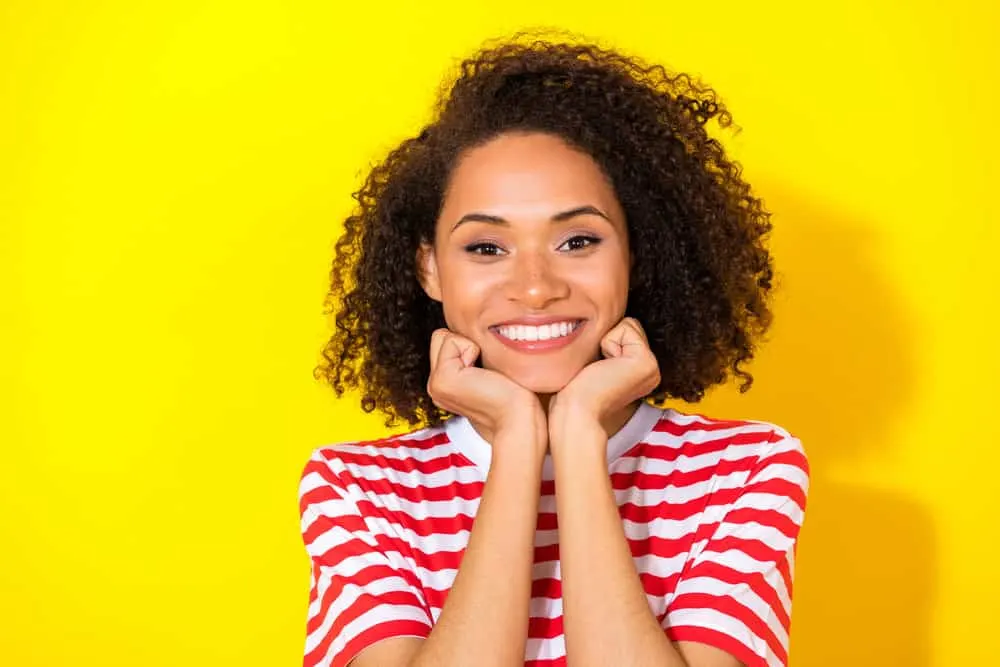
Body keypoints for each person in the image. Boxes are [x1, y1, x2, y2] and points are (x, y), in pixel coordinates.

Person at [299, 34, 809, 667]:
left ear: (636, 253)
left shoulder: (748, 470)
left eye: (578, 242)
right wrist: (518, 440)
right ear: (429, 270)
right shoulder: (358, 490)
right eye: (486, 248)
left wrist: (576, 437)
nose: (537, 288)